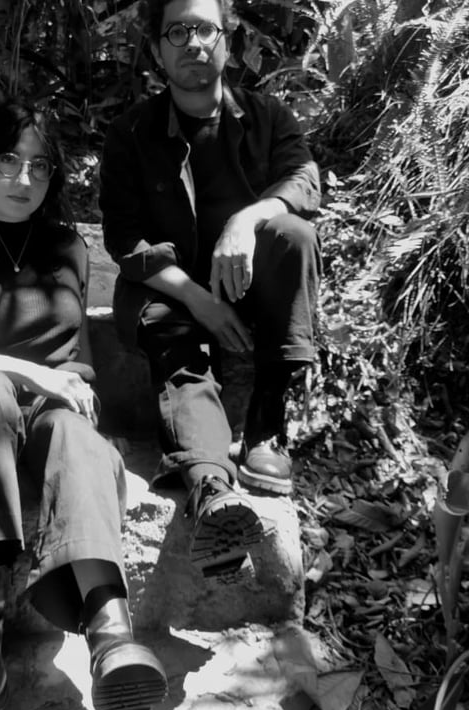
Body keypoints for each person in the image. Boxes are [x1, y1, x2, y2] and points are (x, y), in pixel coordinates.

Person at [0, 98, 167, 710]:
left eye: (40, 165)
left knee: (75, 435)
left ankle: (111, 634)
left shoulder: (67, 246)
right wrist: (29, 372)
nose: (24, 179)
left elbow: (76, 362)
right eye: (8, 160)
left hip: (54, 407)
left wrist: (59, 389)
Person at [99, 0, 322, 580]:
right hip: (167, 292)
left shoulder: (265, 116)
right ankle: (211, 491)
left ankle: (265, 427)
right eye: (178, 32)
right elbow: (123, 239)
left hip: (245, 284)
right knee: (174, 341)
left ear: (227, 40)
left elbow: (304, 180)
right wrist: (198, 300)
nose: (194, 42)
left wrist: (246, 220)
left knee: (293, 235)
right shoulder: (131, 133)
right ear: (157, 50)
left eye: (206, 29)